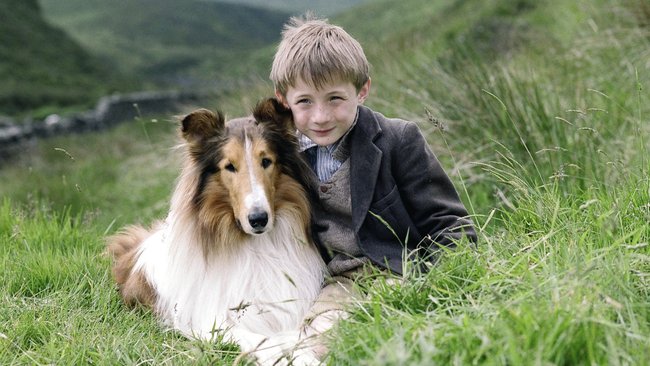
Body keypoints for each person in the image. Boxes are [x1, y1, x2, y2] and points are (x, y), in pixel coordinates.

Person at [269, 15, 477, 358]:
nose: (321, 116)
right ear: (283, 101)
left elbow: (448, 221)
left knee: (375, 337)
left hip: (398, 269)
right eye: (305, 101)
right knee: (311, 343)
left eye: (335, 98)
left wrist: (444, 280)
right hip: (333, 282)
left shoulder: (398, 139)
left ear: (362, 90)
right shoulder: (282, 156)